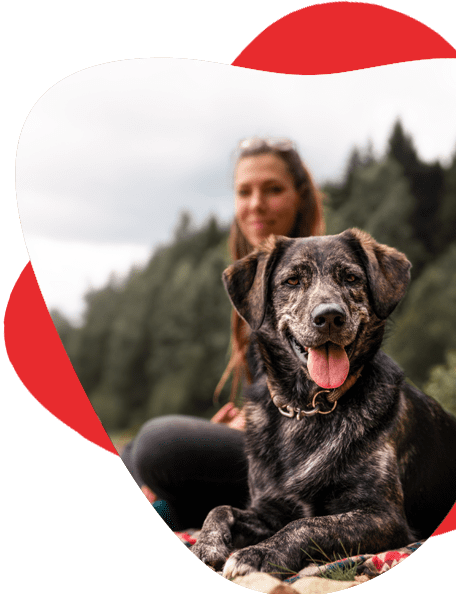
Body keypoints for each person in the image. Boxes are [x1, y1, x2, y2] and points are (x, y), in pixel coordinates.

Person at [120, 138, 325, 531]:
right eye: (244, 192)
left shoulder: (314, 276)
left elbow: (324, 398)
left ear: (300, 197)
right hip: (271, 450)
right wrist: (234, 426)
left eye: (273, 189)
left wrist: (249, 423)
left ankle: (164, 508)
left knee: (157, 447)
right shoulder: (256, 284)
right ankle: (165, 514)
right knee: (130, 454)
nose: (256, 204)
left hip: (309, 455)